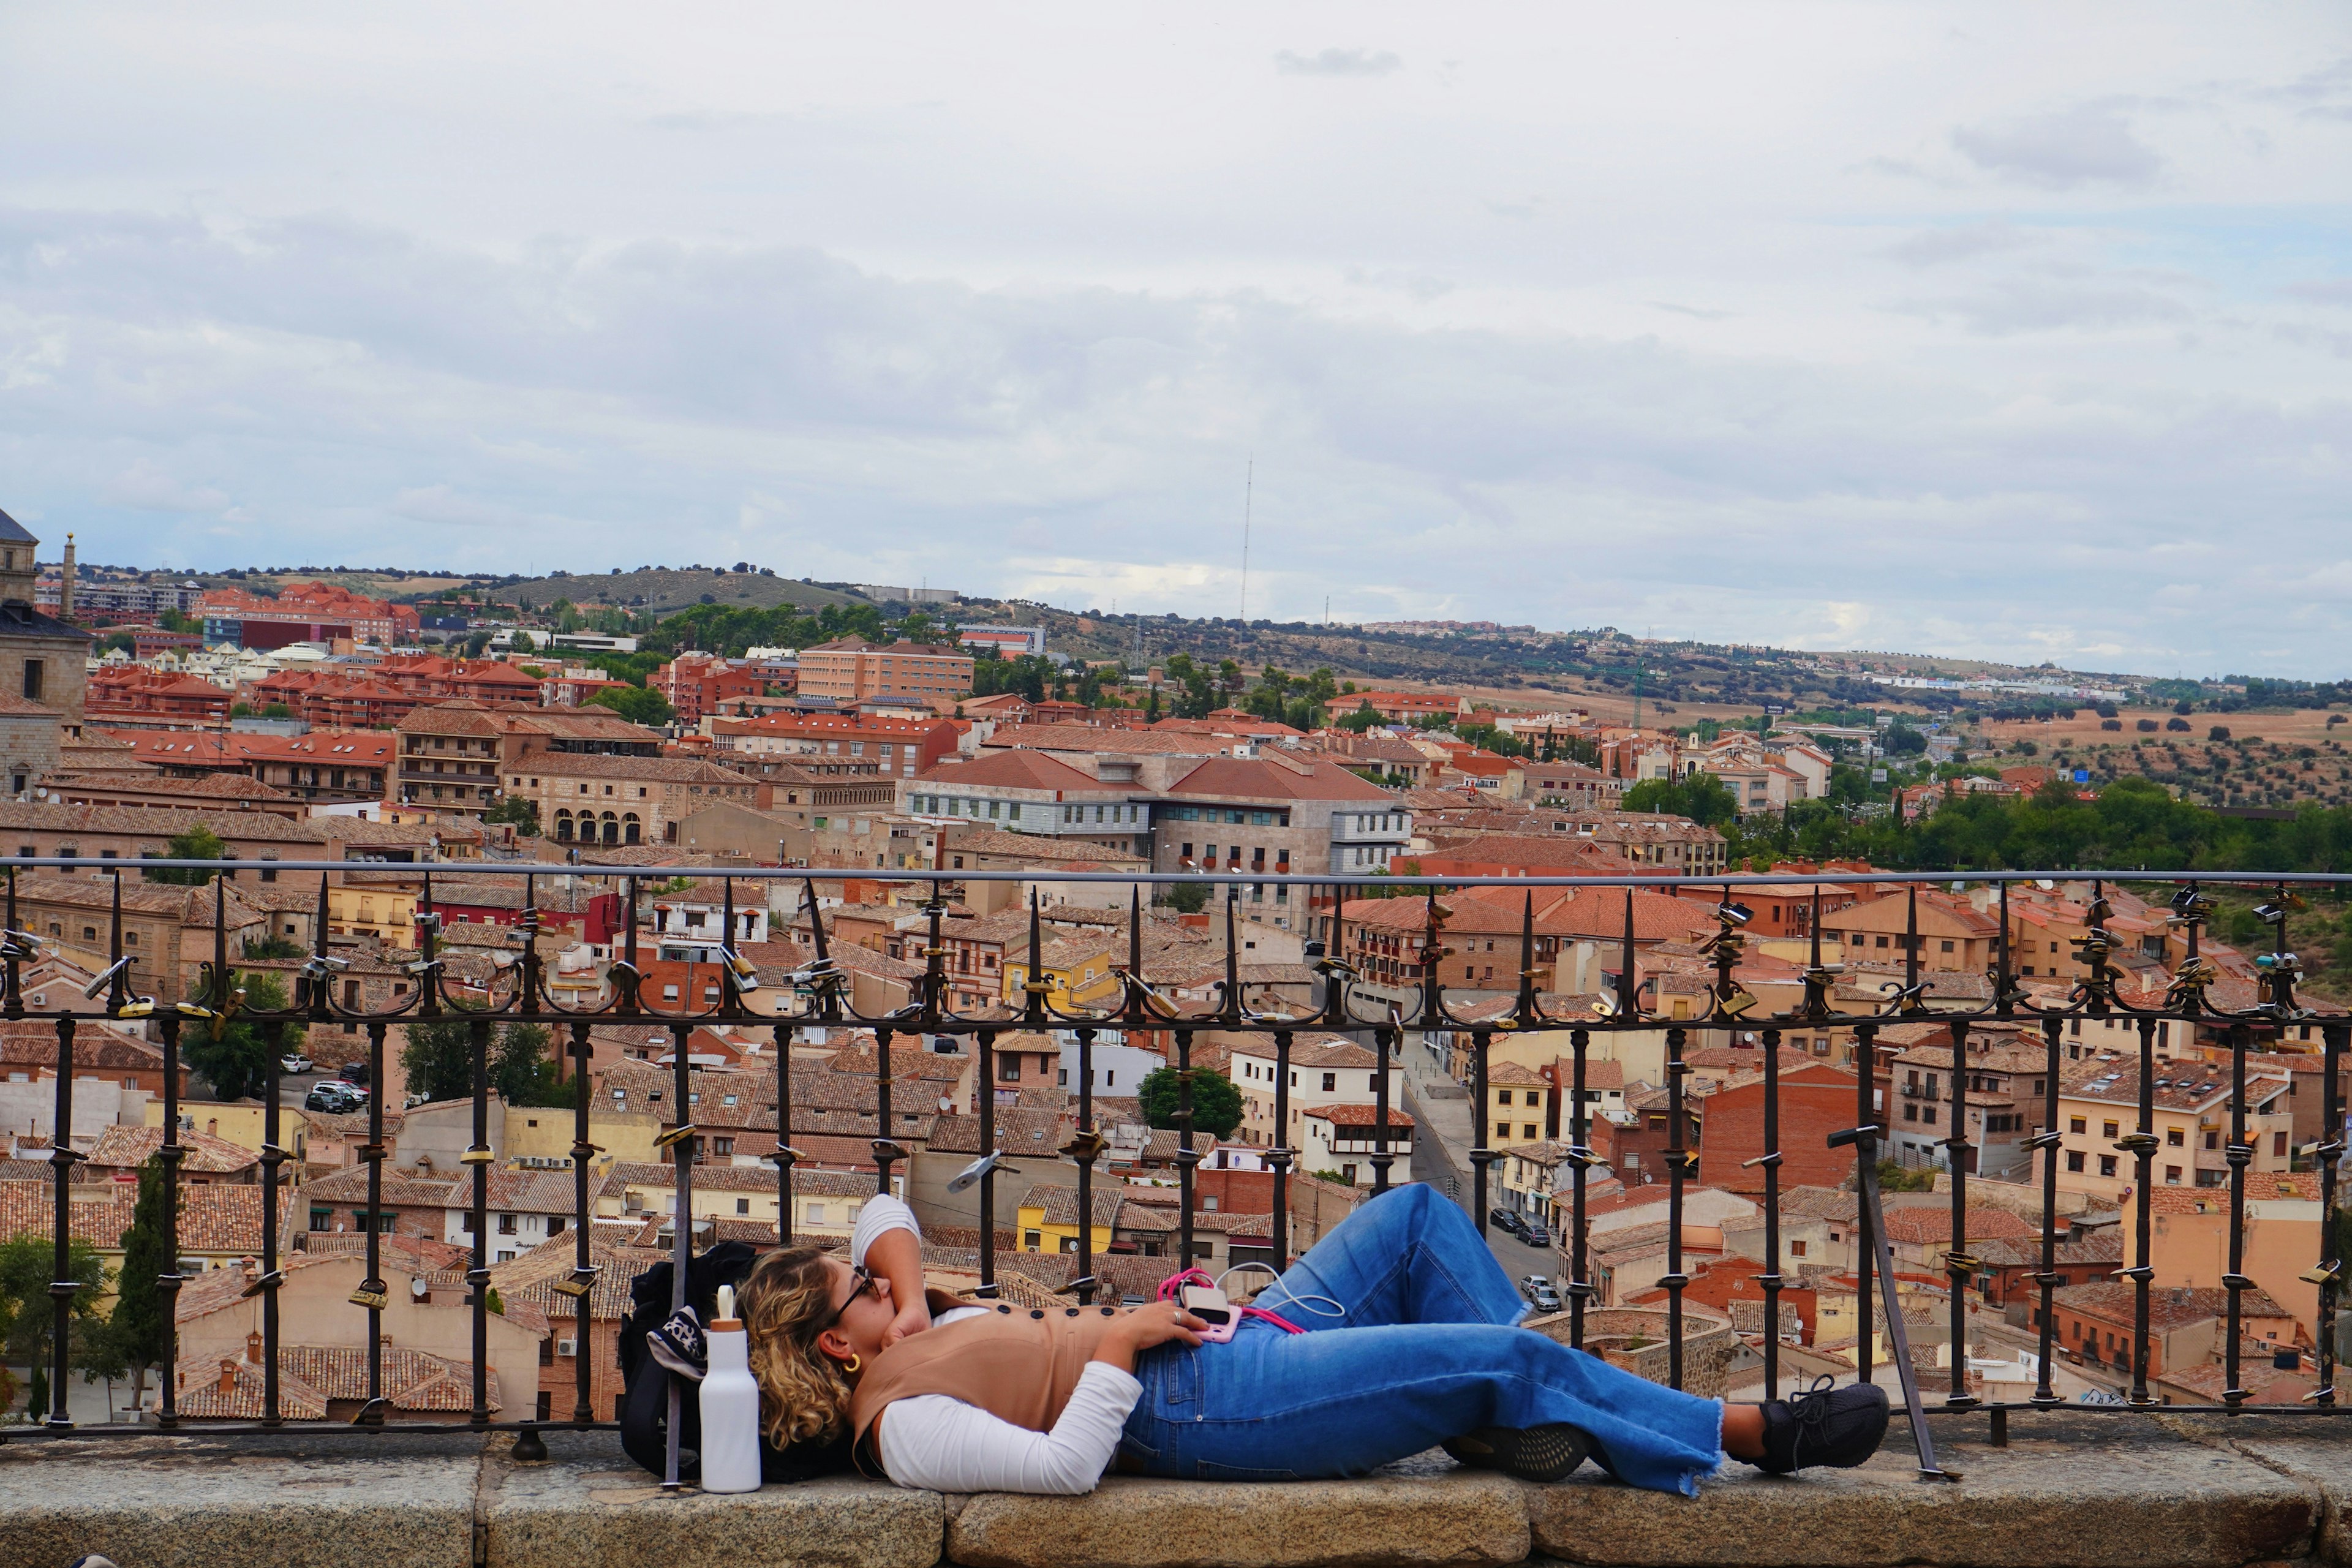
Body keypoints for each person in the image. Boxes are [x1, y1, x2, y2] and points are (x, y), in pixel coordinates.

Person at [734, 1183, 1889, 1495]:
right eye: (866, 1297)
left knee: (1417, 1218)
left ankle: (1521, 1424)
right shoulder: (904, 1432)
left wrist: (908, 1299)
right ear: (837, 1352)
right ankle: (1749, 1435)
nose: (894, 1285)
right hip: (1214, 1404)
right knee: (1504, 1359)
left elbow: (884, 1214)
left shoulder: (900, 1333)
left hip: (1243, 1331)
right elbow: (1061, 1469)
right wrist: (1121, 1346)